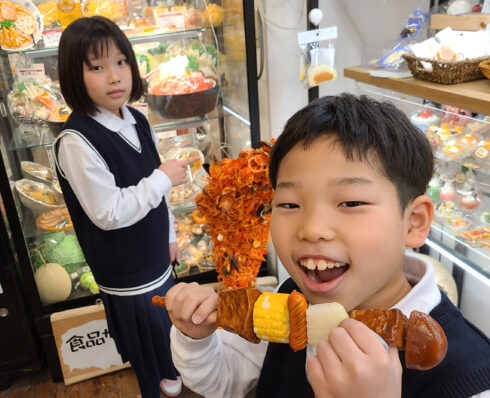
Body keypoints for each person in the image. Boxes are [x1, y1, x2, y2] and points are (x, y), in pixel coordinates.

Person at [165, 94, 490, 398]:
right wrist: (196, 339)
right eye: (290, 204)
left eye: (350, 202)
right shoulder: (292, 296)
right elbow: (225, 381)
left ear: (414, 222)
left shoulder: (470, 378)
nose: (312, 229)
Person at [54, 16, 198, 398]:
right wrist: (163, 177)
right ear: (73, 75)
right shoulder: (76, 140)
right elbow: (109, 212)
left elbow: (159, 197)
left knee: (169, 328)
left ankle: (173, 375)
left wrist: (169, 236)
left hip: (155, 257)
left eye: (120, 62)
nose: (114, 77)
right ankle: (155, 386)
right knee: (144, 345)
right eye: (97, 68)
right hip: (125, 272)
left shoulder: (137, 119)